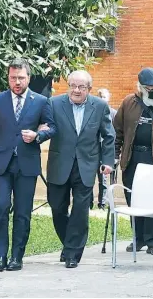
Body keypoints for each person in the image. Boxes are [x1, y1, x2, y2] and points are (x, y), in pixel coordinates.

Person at [0, 58, 57, 272]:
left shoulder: (41, 101)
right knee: (1, 207)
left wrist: (37, 135)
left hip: (27, 164)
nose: (17, 82)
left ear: (28, 78)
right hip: (1, 163)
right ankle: (0, 256)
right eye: (13, 78)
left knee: (23, 212)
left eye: (21, 78)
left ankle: (16, 257)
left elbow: (52, 128)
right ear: (8, 78)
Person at [45, 70, 115, 268]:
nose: (76, 90)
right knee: (57, 207)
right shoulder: (54, 103)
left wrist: (107, 161)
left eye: (81, 87)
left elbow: (108, 136)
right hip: (59, 164)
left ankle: (73, 254)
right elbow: (47, 127)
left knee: (80, 210)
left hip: (86, 164)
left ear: (89, 89)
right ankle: (69, 245)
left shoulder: (100, 106)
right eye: (72, 86)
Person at [114, 67, 153, 255]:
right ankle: (138, 238)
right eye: (150, 87)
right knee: (134, 198)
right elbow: (117, 132)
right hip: (133, 159)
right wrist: (115, 155)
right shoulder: (128, 103)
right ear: (140, 87)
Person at [95, 88, 117, 209]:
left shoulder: (113, 113)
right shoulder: (93, 111)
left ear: (109, 97)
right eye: (100, 96)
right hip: (93, 149)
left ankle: (102, 203)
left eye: (104, 96)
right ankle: (88, 203)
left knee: (103, 179)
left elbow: (116, 133)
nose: (102, 99)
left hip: (106, 151)